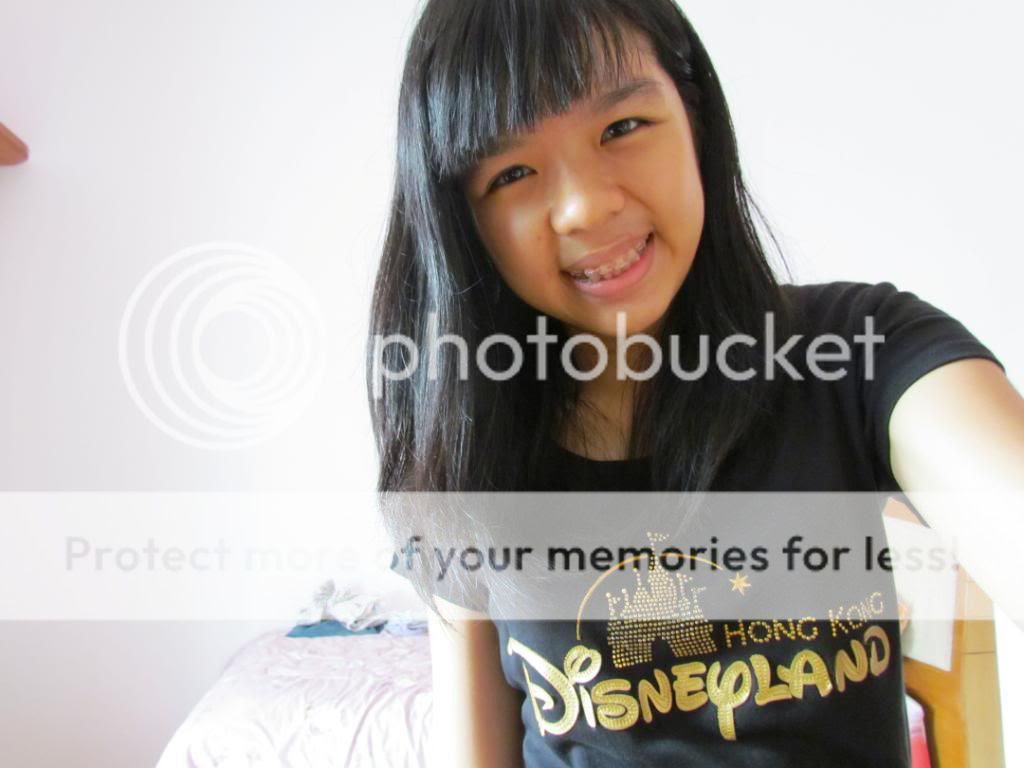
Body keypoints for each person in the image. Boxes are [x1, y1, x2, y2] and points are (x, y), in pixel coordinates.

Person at [367, 1, 1024, 765]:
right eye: (512, 173)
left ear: (695, 119)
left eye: (622, 127)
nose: (586, 206)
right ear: (460, 221)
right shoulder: (466, 440)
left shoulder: (860, 352)